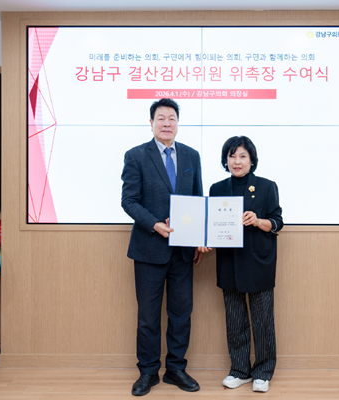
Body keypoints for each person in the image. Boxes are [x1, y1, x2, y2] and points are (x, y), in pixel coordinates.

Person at [121, 98, 204, 396]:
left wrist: (199, 238)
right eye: (161, 118)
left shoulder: (192, 156)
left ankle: (176, 369)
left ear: (178, 123)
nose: (166, 123)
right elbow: (128, 201)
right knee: (148, 317)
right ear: (151, 123)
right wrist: (155, 224)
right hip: (148, 249)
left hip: (183, 251)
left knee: (181, 314)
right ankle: (147, 372)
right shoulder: (136, 156)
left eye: (172, 118)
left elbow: (197, 201)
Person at [207, 136, 283, 393]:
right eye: (232, 156)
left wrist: (258, 221)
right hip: (229, 262)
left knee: (262, 322)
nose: (236, 161)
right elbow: (211, 224)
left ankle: (263, 371)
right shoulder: (217, 188)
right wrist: (204, 240)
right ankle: (240, 370)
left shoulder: (266, 186)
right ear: (225, 160)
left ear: (252, 160)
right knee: (235, 320)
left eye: (242, 156)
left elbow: (277, 222)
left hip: (258, 262)